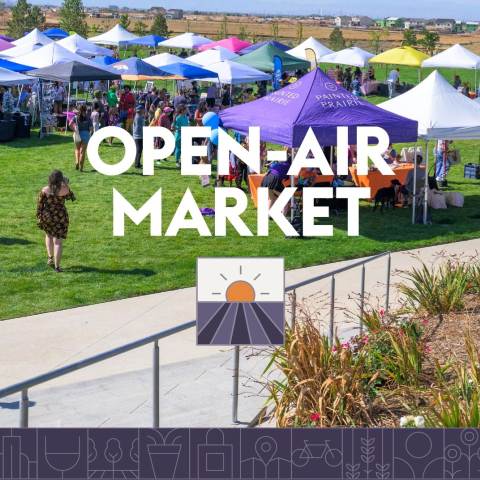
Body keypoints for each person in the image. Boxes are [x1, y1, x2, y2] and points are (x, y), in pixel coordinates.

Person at [36, 170, 75, 272]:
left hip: (47, 217)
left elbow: (39, 206)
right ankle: (57, 267)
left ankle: (50, 258)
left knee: (48, 235)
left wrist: (39, 217)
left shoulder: (45, 190)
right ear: (60, 179)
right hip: (60, 218)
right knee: (58, 242)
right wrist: (66, 184)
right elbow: (72, 197)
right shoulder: (64, 189)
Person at [69, 104, 92, 171]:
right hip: (86, 135)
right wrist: (90, 134)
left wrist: (74, 130)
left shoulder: (75, 117)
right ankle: (81, 168)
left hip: (77, 134)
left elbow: (70, 124)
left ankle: (77, 162)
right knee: (82, 152)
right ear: (85, 110)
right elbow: (91, 128)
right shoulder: (88, 118)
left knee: (77, 149)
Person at [133, 105, 145, 169]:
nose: (144, 110)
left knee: (139, 150)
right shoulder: (138, 117)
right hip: (138, 136)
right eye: (143, 109)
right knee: (139, 150)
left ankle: (138, 163)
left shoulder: (138, 116)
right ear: (140, 110)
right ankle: (137, 164)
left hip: (138, 135)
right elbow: (139, 128)